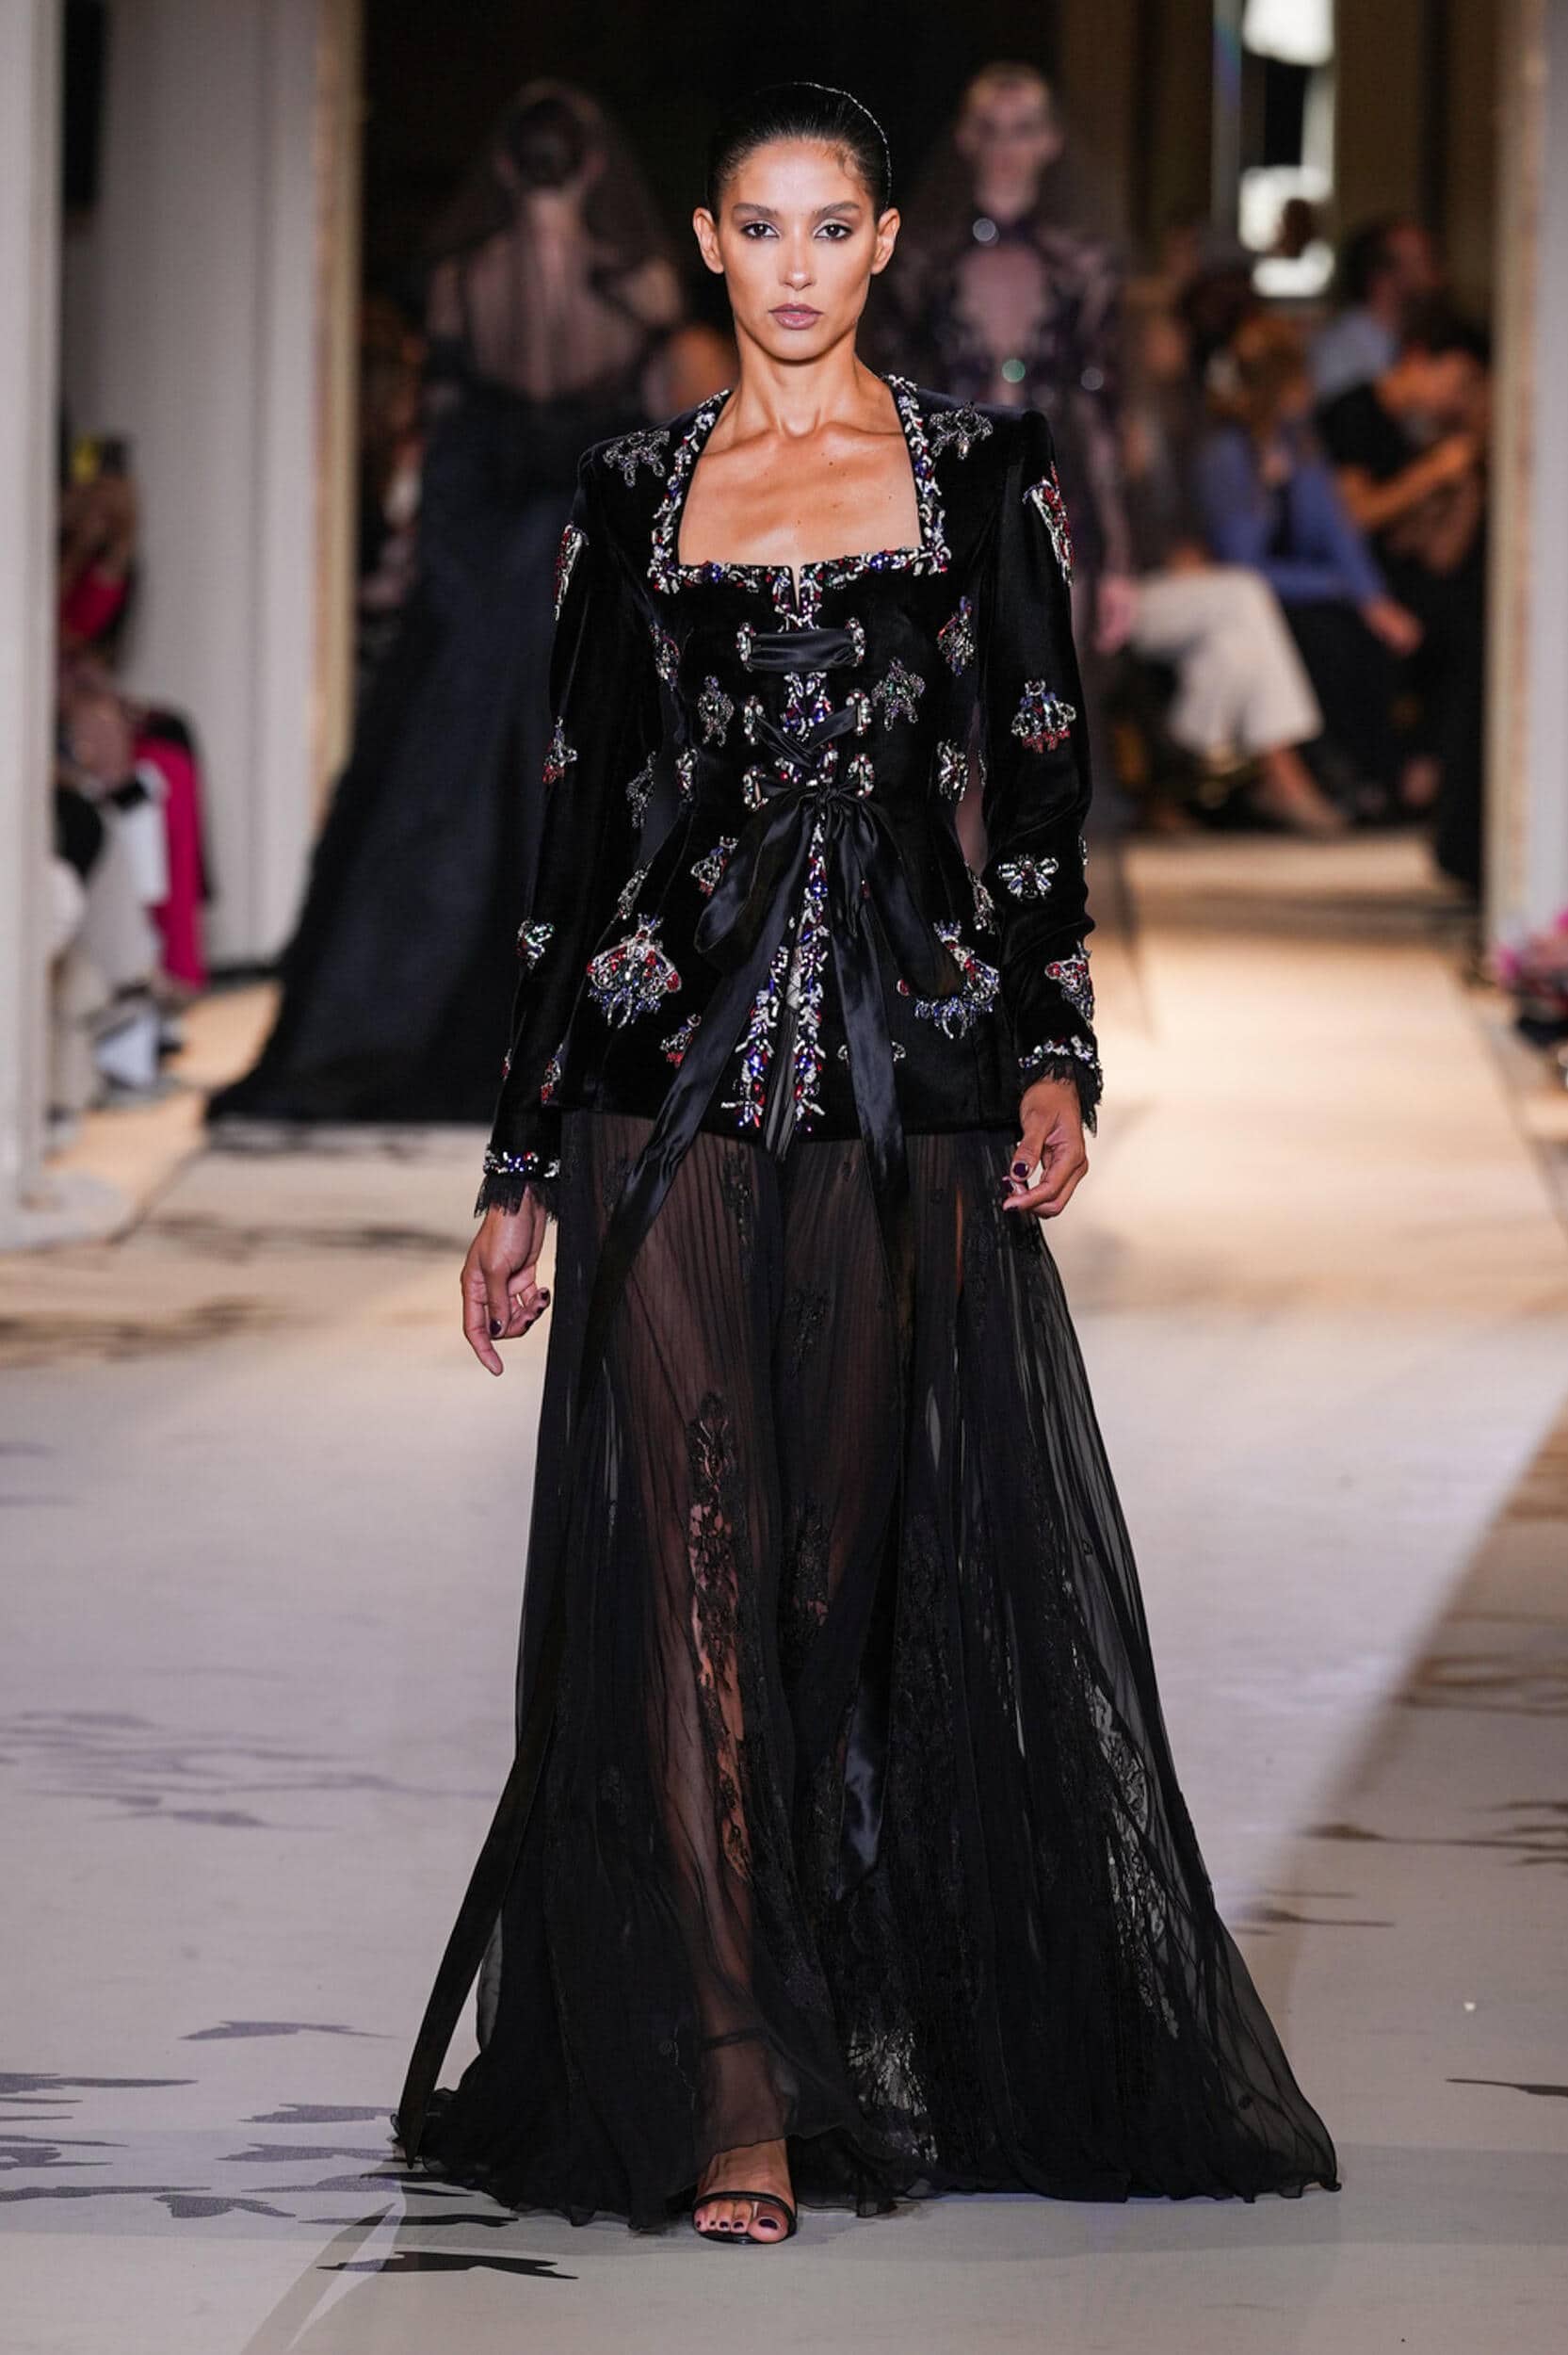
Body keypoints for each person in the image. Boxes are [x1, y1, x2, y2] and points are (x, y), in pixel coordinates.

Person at [394, 80, 1339, 2247]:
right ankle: (734, 2076)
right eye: (762, 226)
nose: (797, 264)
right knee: (692, 1566)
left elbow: (1035, 781)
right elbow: (575, 828)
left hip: (896, 1063)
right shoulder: (633, 492)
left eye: (833, 226)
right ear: (708, 245)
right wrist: (516, 1158)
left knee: (828, 1569)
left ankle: (817, 1995)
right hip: (656, 1061)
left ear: (885, 242)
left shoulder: (980, 474)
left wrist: (1051, 1054)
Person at [207, 82, 730, 1129]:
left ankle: (390, 1035)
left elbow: (448, 446)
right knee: (596, 794)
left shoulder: (462, 280)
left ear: (504, 164)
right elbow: (667, 451)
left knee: (442, 809)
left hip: (492, 578)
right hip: (578, 572)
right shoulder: (635, 286)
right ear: (595, 167)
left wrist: (430, 577)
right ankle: (619, 1040)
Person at [1120, 301, 1341, 835]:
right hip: (1115, 589)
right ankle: (1281, 772)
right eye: (1168, 326)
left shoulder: (1180, 413)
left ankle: (1172, 782)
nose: (1179, 338)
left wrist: (1187, 549)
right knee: (1246, 595)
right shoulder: (1104, 413)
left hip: (1166, 584)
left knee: (1233, 650)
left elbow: (1194, 514)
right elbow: (1100, 517)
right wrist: (1164, 552)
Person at [1195, 316, 1421, 814]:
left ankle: (1379, 779)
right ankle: (1335, 775)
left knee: (1368, 637)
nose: (1310, 389)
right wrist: (1334, 585)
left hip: (1311, 592)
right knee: (1326, 642)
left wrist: (1372, 599)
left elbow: (1338, 531)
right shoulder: (1226, 456)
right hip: (1260, 598)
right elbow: (1242, 562)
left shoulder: (1300, 446)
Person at [1317, 304, 1490, 888]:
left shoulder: (1426, 434)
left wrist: (1463, 483)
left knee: (1472, 613)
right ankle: (1417, 777)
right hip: (1348, 583)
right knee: (1457, 624)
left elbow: (1439, 553)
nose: (1457, 399)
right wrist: (1434, 475)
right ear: (1420, 360)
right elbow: (1353, 517)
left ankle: (1436, 783)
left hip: (1405, 582)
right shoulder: (1354, 413)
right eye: (1457, 381)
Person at [1310, 216, 1441, 404]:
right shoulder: (1338, 351)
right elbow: (1344, 417)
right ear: (1381, 278)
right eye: (1420, 262)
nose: (1434, 276)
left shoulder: (1425, 336)